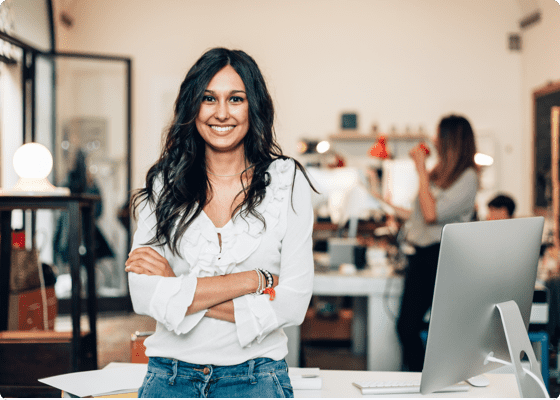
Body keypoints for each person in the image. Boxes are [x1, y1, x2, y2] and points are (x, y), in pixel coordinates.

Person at [126, 48, 316, 398]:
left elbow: (292, 304)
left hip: (257, 377)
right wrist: (251, 280)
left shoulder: (287, 181)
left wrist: (178, 286)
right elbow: (142, 293)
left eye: (236, 99)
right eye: (209, 98)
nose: (222, 113)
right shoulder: (165, 182)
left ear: (253, 106)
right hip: (169, 377)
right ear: (193, 106)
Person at [390, 115, 479, 372]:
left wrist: (420, 170)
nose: (434, 140)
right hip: (421, 256)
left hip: (442, 257)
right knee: (406, 326)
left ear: (451, 140)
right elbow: (420, 214)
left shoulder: (468, 177)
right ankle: (423, 380)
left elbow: (431, 214)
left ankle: (428, 381)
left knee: (421, 328)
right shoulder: (439, 172)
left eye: (440, 135)